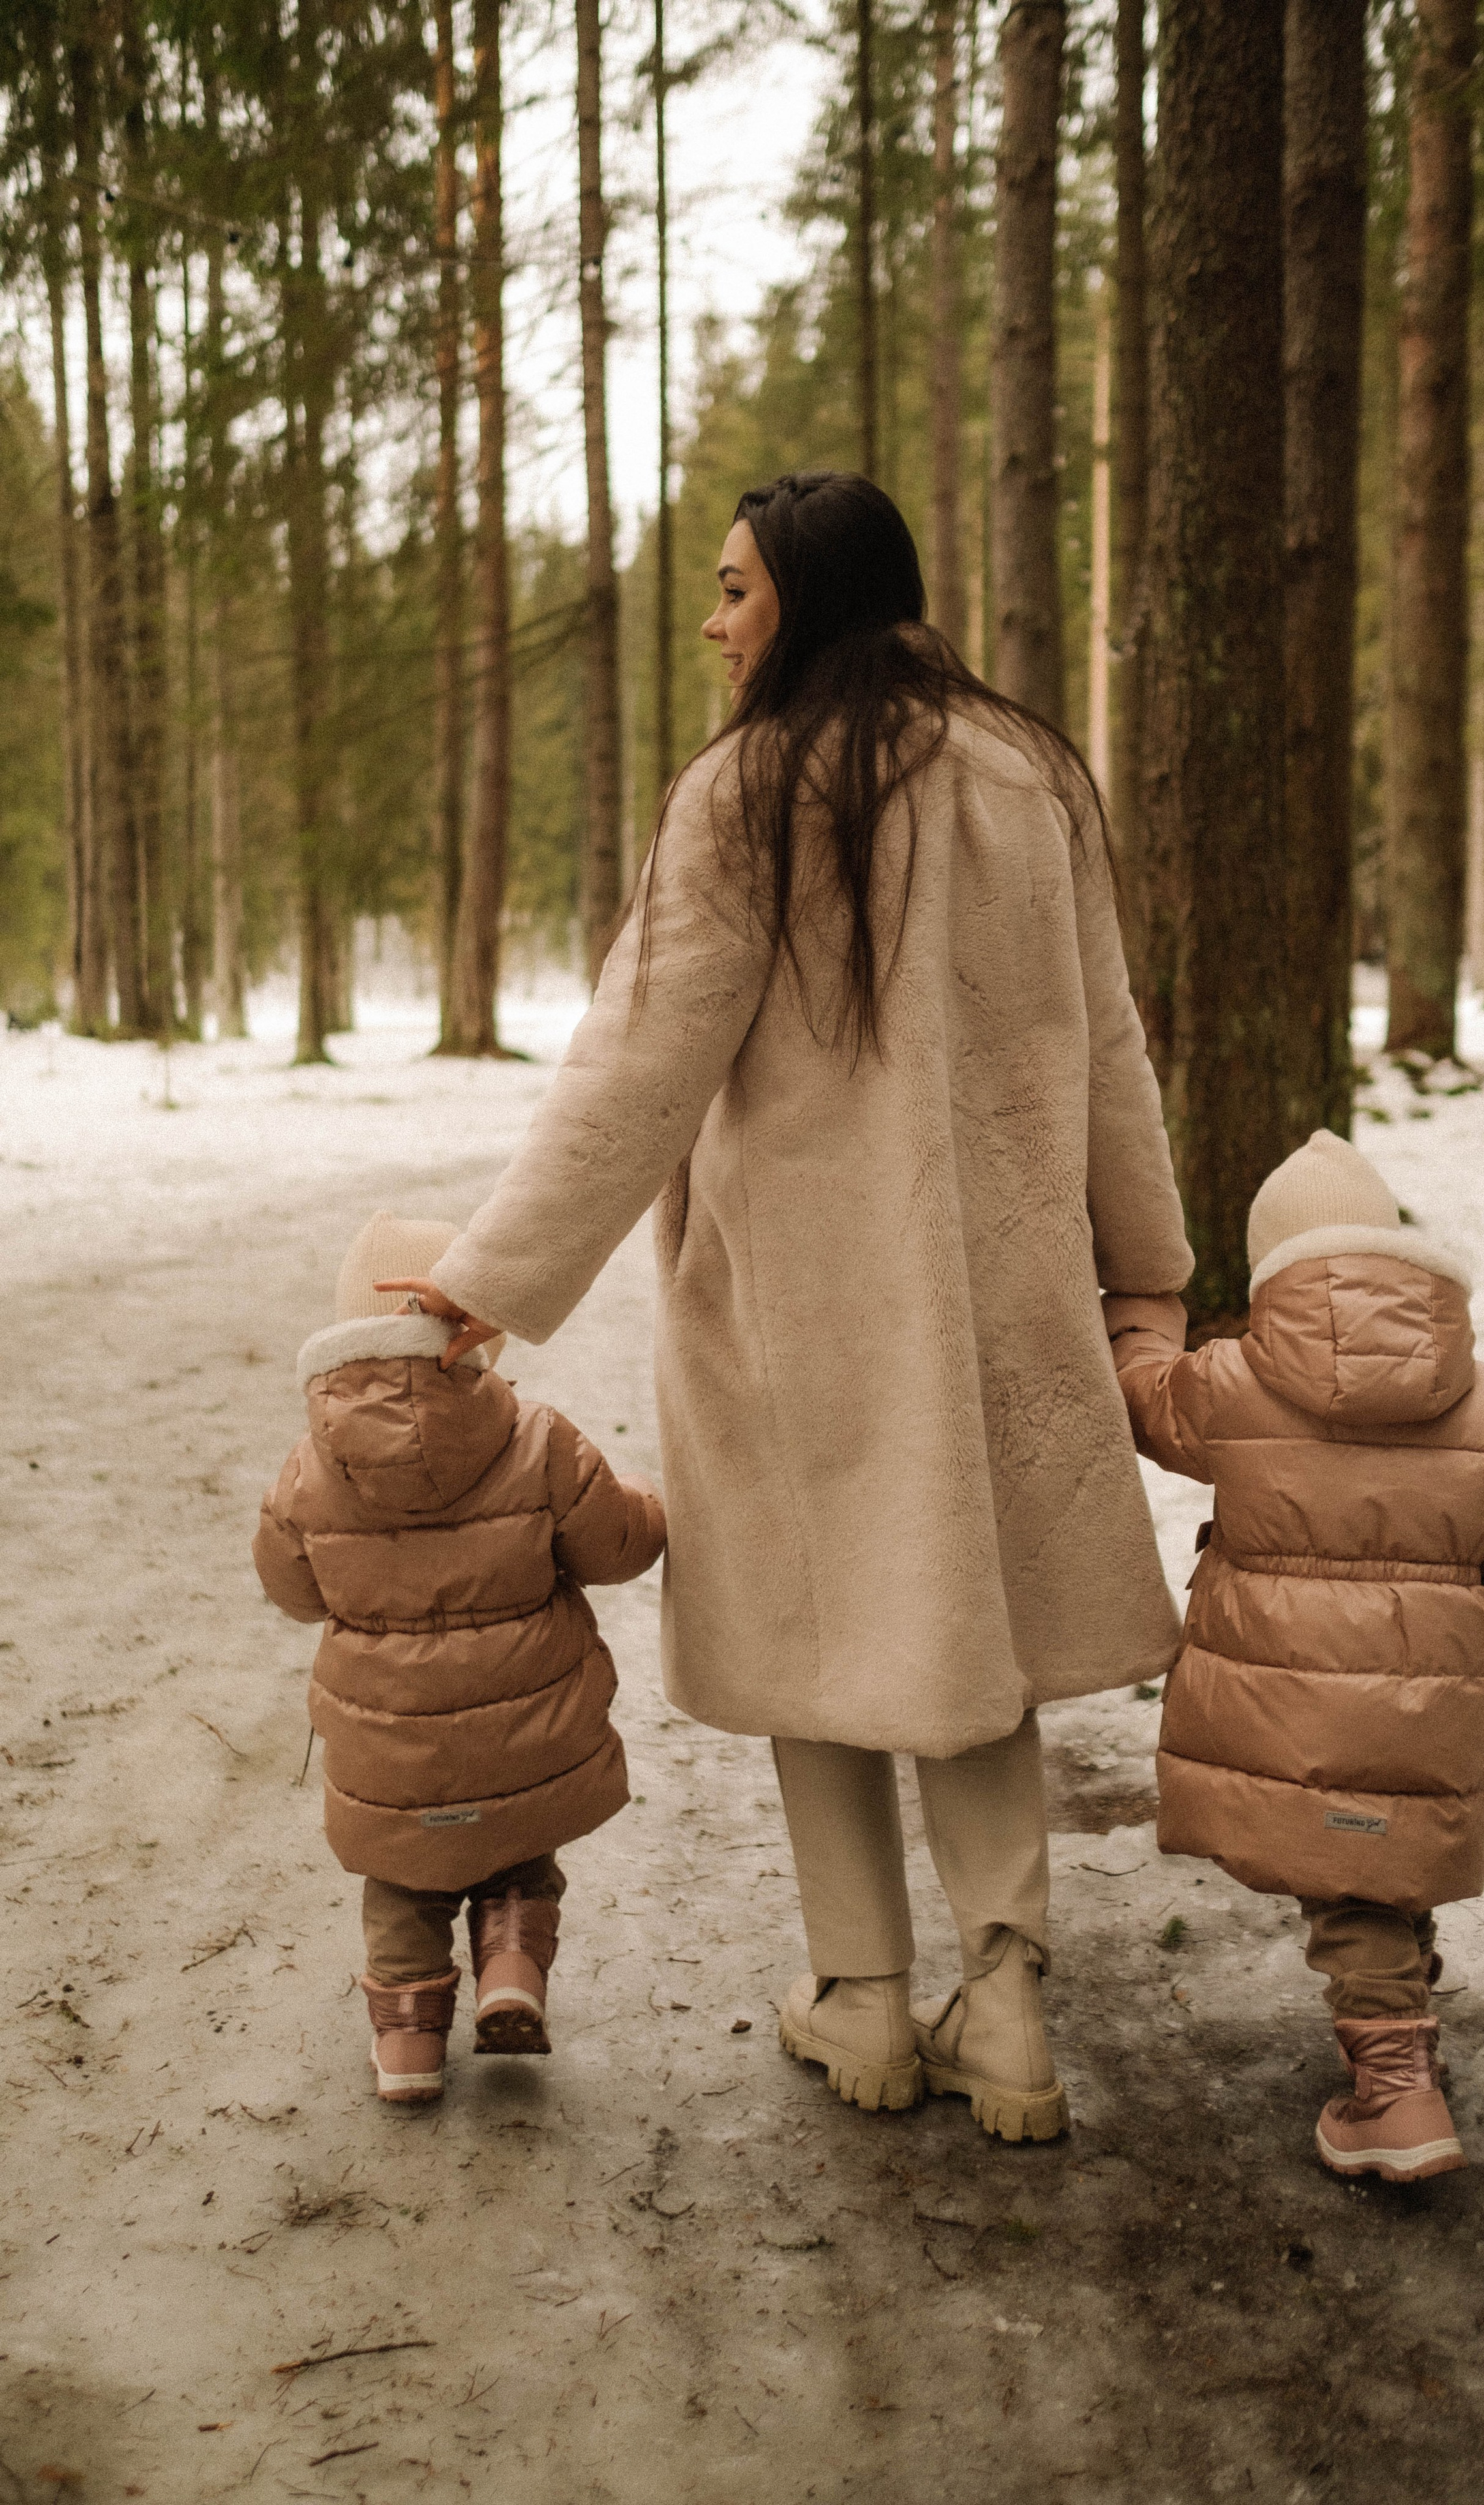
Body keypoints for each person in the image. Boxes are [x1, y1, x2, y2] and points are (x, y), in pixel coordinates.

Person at [386, 472, 1194, 2145]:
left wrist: (491, 1278)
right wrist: (1147, 1276)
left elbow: (639, 1059)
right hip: (996, 1295)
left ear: (811, 596)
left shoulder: (750, 787)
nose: (715, 621)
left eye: (738, 589)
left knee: (824, 1632)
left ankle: (865, 1999)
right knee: (970, 1640)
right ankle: (1008, 2002)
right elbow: (1107, 1042)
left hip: (799, 1306)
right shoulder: (1028, 773)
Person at [1105, 1128, 1484, 2182]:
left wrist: (1136, 1328)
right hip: (1431, 1708)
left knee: (1352, 1892)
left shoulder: (1232, 1383)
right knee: (1384, 1863)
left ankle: (1395, 2093)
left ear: (1275, 1271)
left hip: (1293, 1709)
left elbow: (1144, 1402)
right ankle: (1406, 2028)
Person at [253, 1211, 665, 2104]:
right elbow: (615, 1548)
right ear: (480, 1319)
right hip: (525, 1730)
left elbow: (294, 1592)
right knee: (517, 1850)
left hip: (390, 1751)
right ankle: (512, 1969)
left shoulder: (309, 1470)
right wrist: (649, 1501)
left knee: (402, 1885)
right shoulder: (539, 1437)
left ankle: (407, 2047)